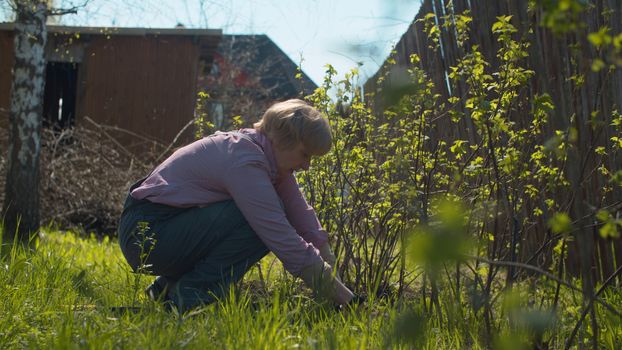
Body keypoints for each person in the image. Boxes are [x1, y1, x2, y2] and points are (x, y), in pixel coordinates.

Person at [117, 99, 355, 312]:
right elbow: (284, 239)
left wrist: (338, 284)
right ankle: (186, 297)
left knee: (266, 213)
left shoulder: (267, 159)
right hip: (147, 233)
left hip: (160, 228)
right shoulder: (245, 160)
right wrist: (348, 301)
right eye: (305, 154)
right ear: (284, 139)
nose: (307, 166)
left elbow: (307, 224)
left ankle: (166, 290)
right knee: (258, 221)